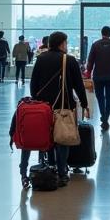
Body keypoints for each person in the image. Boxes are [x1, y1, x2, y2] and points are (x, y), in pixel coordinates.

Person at [28, 31, 90, 186]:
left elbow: (33, 83)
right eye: (66, 43)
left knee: (49, 137)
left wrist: (36, 100)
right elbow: (78, 85)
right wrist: (84, 103)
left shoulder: (41, 58)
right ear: (62, 43)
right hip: (63, 105)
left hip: (44, 107)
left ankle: (51, 167)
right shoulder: (69, 60)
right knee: (63, 138)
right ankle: (62, 172)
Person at [87, 26, 110, 130]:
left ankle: (103, 116)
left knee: (100, 98)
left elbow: (90, 60)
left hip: (98, 76)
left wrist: (88, 72)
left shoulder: (95, 45)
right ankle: (105, 119)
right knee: (109, 98)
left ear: (101, 33)